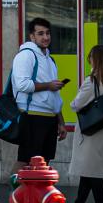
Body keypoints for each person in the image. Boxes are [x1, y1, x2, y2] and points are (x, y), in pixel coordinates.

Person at [61, 45, 103, 203]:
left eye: (90, 59)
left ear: (95, 60)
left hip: (90, 130)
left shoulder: (91, 81)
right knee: (91, 170)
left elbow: (75, 105)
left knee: (91, 171)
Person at [10, 18, 66, 170]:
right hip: (32, 116)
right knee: (25, 161)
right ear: (32, 36)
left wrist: (61, 122)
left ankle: (36, 194)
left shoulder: (50, 59)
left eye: (48, 33)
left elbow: (55, 96)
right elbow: (22, 84)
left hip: (50, 118)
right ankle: (14, 193)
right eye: (40, 33)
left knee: (44, 163)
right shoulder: (25, 55)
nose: (46, 37)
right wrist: (48, 85)